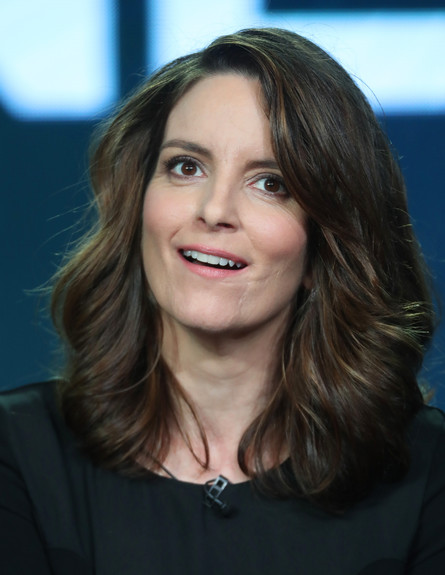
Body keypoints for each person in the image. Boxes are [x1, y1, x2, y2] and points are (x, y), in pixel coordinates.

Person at [0, 27, 444, 575]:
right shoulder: (18, 453)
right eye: (187, 166)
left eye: (271, 183)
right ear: (138, 205)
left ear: (326, 244)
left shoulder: (429, 476)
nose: (214, 210)